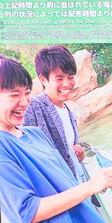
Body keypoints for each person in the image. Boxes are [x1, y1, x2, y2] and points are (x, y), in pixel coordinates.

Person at [0, 54, 112, 223]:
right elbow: (29, 211)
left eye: (27, 93)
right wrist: (92, 186)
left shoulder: (34, 133)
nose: (25, 102)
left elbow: (68, 182)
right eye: (14, 95)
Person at [24, 46, 86, 175]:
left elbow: (67, 154)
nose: (67, 84)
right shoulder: (33, 106)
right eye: (59, 78)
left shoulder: (68, 111)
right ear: (43, 80)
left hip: (76, 183)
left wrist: (78, 156)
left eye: (70, 77)